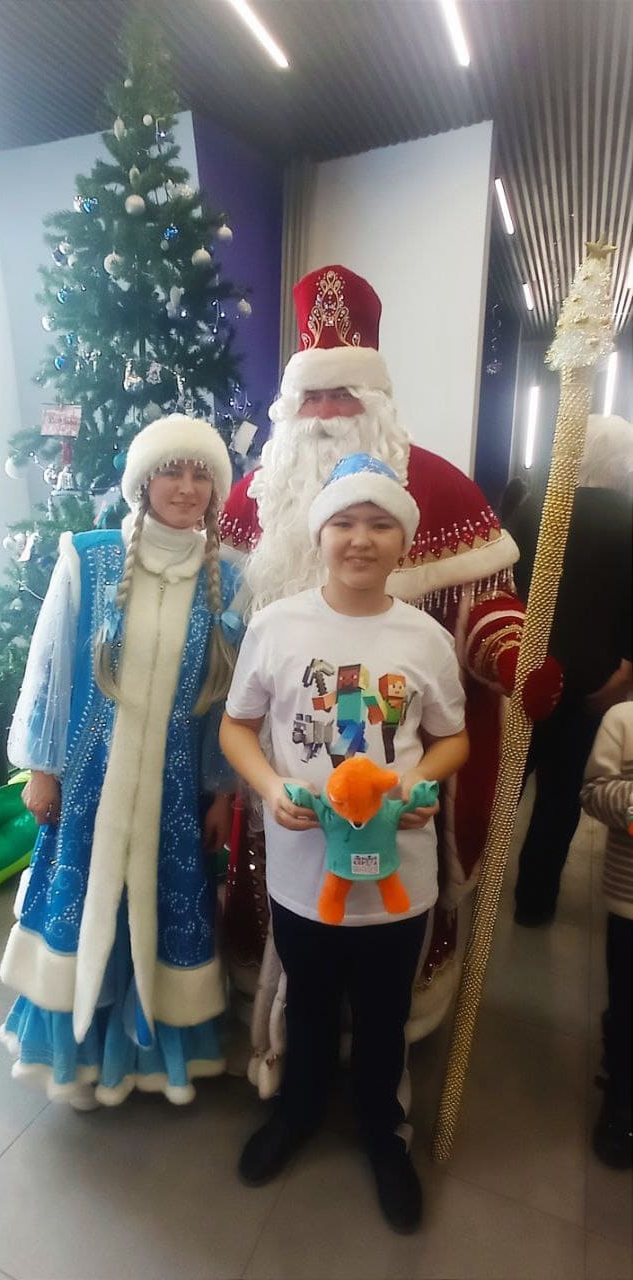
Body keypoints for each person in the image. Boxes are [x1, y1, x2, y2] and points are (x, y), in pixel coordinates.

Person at [220, 264, 559, 1082]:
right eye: (313, 397)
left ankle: (380, 1095)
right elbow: (223, 669)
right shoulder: (251, 498)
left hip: (392, 812)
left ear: (376, 398)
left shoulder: (440, 490)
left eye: (344, 396)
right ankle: (292, 1067)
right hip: (284, 795)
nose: (327, 414)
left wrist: (513, 658)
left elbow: (482, 610)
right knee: (292, 932)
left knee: (383, 968)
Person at [220, 453, 469, 1232]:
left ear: (404, 541)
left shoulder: (425, 638)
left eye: (379, 524)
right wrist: (271, 788)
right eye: (345, 523)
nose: (361, 539)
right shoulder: (277, 626)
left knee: (385, 1014)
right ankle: (296, 1113)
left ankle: (381, 1134)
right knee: (311, 1001)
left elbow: (452, 738)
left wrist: (417, 784)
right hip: (304, 873)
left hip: (398, 879)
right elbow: (237, 728)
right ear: (319, 534)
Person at [0, 414, 240, 1109]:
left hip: (173, 791)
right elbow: (50, 669)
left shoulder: (228, 579)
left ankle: (146, 1060)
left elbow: (225, 701)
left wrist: (221, 792)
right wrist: (42, 767)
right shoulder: (88, 557)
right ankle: (73, 1061)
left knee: (159, 909)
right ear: (142, 482)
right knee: (81, 908)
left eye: (200, 476)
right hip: (88, 783)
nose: (186, 488)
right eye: (172, 472)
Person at [505, 414, 633, 926]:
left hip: (527, 676)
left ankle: (471, 883)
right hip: (596, 683)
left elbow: (504, 587)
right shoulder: (630, 517)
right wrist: (625, 673)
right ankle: (534, 904)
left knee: (503, 787)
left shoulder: (535, 508)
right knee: (561, 799)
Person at [580, 701, 633, 1170]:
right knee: (628, 1003)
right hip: (631, 900)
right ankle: (621, 1096)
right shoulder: (624, 720)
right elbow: (595, 792)